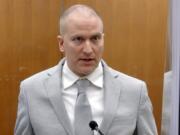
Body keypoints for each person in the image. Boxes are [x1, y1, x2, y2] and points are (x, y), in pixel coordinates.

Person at [14, 4, 158, 135]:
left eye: (95, 38)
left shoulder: (135, 91)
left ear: (103, 40)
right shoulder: (31, 90)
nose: (88, 50)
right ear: (62, 43)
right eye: (78, 39)